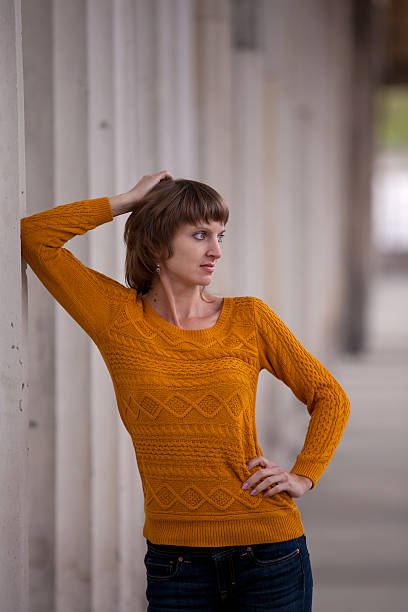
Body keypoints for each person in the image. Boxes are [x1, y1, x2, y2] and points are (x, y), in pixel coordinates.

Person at [20, 170, 350, 611]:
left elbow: (329, 395)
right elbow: (32, 237)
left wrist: (304, 474)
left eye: (220, 235)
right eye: (200, 235)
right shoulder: (118, 319)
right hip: (176, 564)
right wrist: (127, 201)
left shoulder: (248, 319)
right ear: (158, 244)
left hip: (269, 550)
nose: (216, 251)